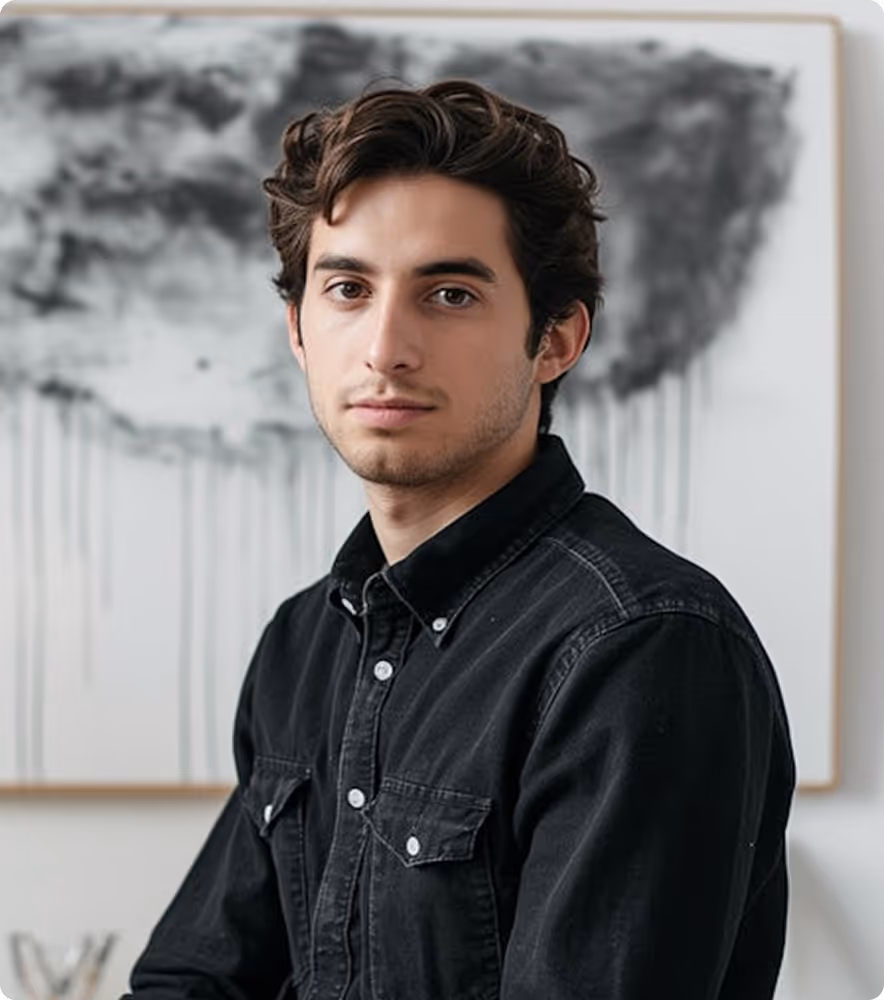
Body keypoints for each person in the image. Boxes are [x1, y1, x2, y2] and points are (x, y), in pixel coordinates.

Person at [126, 79, 795, 1000]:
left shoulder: (642, 645)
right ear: (297, 330)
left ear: (555, 338)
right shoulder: (303, 642)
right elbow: (192, 981)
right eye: (349, 289)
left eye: (448, 293)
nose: (386, 347)